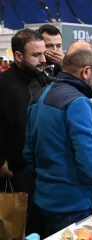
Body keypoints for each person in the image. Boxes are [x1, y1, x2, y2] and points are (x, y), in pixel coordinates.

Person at [24, 42, 92, 237]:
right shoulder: (78, 102)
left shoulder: (39, 96)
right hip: (73, 201)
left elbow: (28, 152)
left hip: (44, 198)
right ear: (86, 71)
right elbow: (89, 157)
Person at [0, 28, 48, 235]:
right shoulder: (3, 84)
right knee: (18, 225)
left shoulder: (42, 79)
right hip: (14, 171)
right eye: (36, 55)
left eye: (43, 53)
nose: (43, 59)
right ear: (18, 56)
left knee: (41, 223)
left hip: (43, 168)